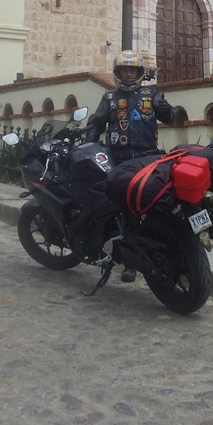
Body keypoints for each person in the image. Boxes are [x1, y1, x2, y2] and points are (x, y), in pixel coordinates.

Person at [85, 50, 177, 282]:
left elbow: (171, 118)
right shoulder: (110, 99)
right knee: (123, 208)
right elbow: (95, 125)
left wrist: (162, 105)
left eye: (132, 70)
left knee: (154, 203)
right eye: (124, 70)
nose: (128, 74)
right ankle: (129, 261)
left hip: (148, 156)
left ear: (139, 72)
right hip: (119, 158)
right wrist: (88, 143)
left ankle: (165, 247)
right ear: (118, 72)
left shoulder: (150, 93)